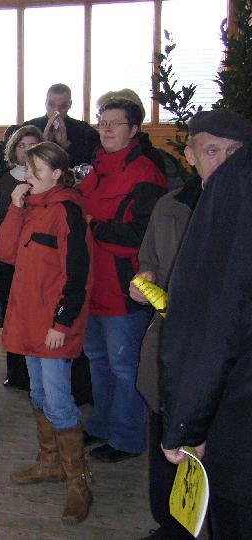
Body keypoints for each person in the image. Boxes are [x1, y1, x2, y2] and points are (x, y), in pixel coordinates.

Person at [131, 110, 252, 540]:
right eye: (212, 151)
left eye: (234, 152)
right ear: (190, 155)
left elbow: (219, 319)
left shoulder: (238, 208)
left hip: (217, 373)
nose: (224, 161)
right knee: (168, 453)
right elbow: (149, 258)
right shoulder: (170, 206)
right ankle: (172, 523)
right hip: (172, 354)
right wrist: (145, 281)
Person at [0, 141, 93, 524]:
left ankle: (79, 484)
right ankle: (50, 463)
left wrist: (62, 323)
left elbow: (78, 273)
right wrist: (15, 207)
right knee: (38, 395)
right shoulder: (31, 207)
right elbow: (5, 253)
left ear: (56, 174)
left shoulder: (67, 210)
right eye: (28, 170)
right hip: (28, 321)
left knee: (58, 402)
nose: (29, 177)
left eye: (36, 171)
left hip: (53, 327)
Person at [78, 98, 167, 462]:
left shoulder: (146, 174)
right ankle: (101, 423)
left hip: (124, 288)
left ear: (134, 130)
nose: (107, 128)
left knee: (124, 367)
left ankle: (127, 438)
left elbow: (145, 234)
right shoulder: (96, 170)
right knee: (98, 360)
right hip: (91, 285)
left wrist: (96, 227)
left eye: (115, 123)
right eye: (103, 121)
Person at [0, 126, 43, 390]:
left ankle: (34, 374)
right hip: (2, 259)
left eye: (33, 145)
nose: (27, 150)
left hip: (34, 260)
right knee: (11, 315)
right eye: (22, 145)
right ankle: (16, 372)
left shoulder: (46, 182)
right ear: (13, 149)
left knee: (33, 316)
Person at [24, 83, 100, 167]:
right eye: (51, 105)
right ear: (45, 103)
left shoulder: (84, 130)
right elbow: (20, 159)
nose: (57, 111)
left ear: (70, 104)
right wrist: (42, 144)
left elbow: (92, 161)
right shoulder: (30, 127)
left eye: (62, 106)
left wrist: (67, 145)